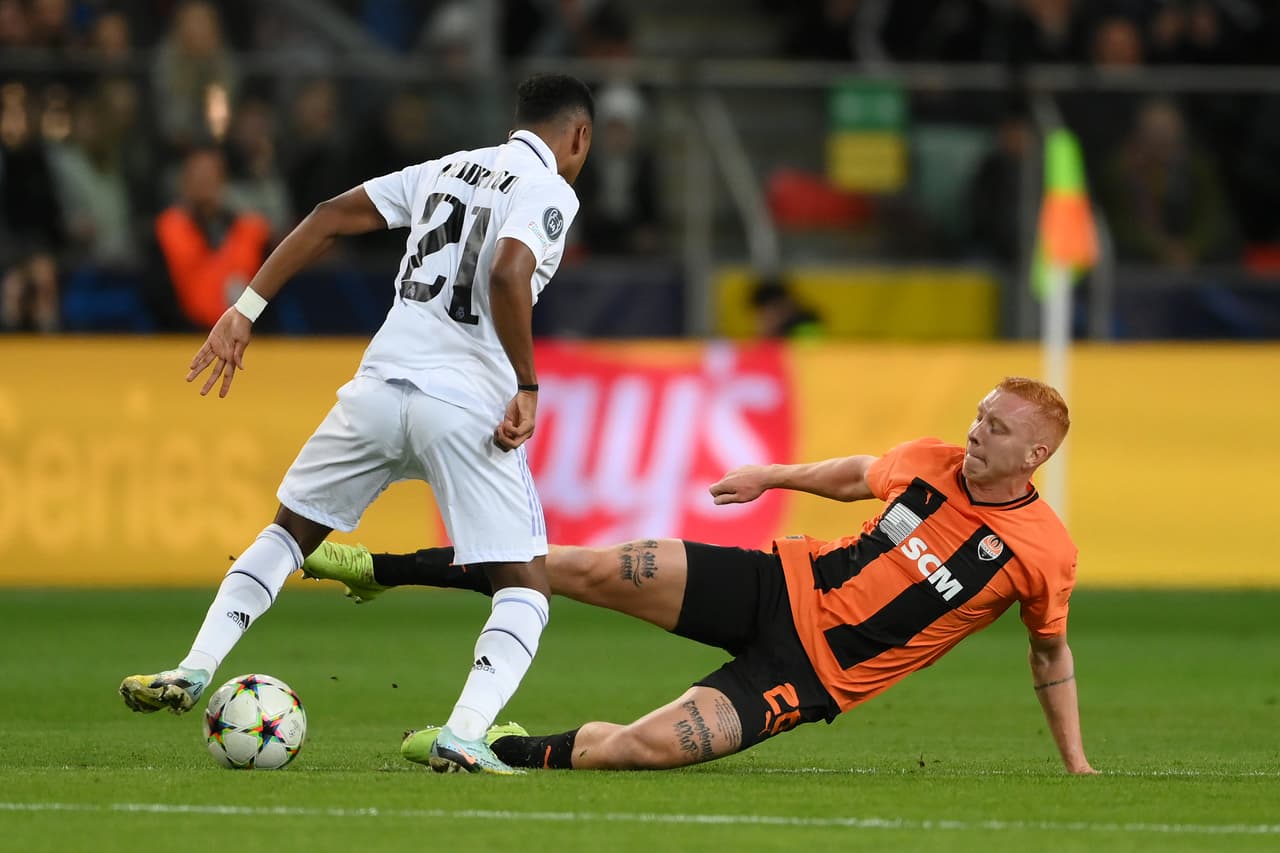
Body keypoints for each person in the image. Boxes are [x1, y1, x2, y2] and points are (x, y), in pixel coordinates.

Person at [119, 73, 595, 776]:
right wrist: (526, 383)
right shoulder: (549, 187)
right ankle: (463, 732)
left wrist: (245, 309)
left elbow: (327, 215)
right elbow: (508, 271)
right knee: (525, 586)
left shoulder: (444, 169)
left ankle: (194, 666)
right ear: (578, 136)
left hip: (377, 388)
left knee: (288, 532)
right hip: (464, 406)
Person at [302, 377, 1096, 774]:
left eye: (995, 428)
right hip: (775, 581)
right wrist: (771, 474)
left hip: (808, 678)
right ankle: (378, 567)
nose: (975, 431)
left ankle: (490, 748)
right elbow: (859, 473)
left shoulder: (1042, 552)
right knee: (580, 566)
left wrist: (1076, 764)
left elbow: (1049, 653)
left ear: (1035, 456)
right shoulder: (934, 461)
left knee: (643, 748)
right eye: (979, 414)